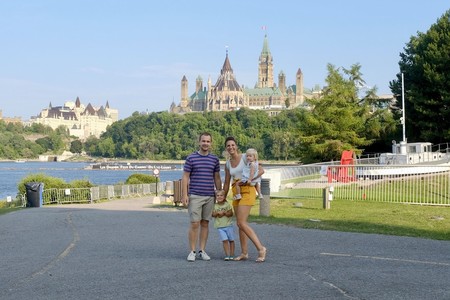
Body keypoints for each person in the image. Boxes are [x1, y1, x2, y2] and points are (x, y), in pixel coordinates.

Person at [223, 136, 267, 263]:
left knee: (241, 222)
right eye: (228, 146)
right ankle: (244, 253)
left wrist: (249, 180)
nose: (231, 147)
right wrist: (223, 199)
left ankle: (261, 248)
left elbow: (261, 170)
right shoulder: (227, 163)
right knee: (240, 223)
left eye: (232, 145)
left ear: (236, 146)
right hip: (235, 191)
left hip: (247, 189)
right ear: (226, 149)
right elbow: (226, 182)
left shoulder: (245, 157)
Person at [181, 132, 222, 262]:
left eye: (208, 141)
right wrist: (184, 195)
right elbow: (185, 177)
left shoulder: (214, 159)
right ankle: (192, 251)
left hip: (209, 195)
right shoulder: (191, 158)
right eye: (203, 141)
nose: (205, 143)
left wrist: (220, 193)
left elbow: (217, 177)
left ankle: (202, 250)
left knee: (205, 223)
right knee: (194, 223)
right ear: (199, 142)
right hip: (195, 195)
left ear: (211, 143)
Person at [211, 189, 235, 261]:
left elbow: (231, 214)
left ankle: (232, 255)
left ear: (224, 197)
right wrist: (218, 213)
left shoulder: (227, 205)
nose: (219, 197)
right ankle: (227, 255)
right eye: (217, 196)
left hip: (228, 225)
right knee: (224, 240)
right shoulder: (215, 206)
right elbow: (213, 214)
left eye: (221, 195)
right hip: (220, 226)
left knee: (231, 240)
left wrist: (225, 213)